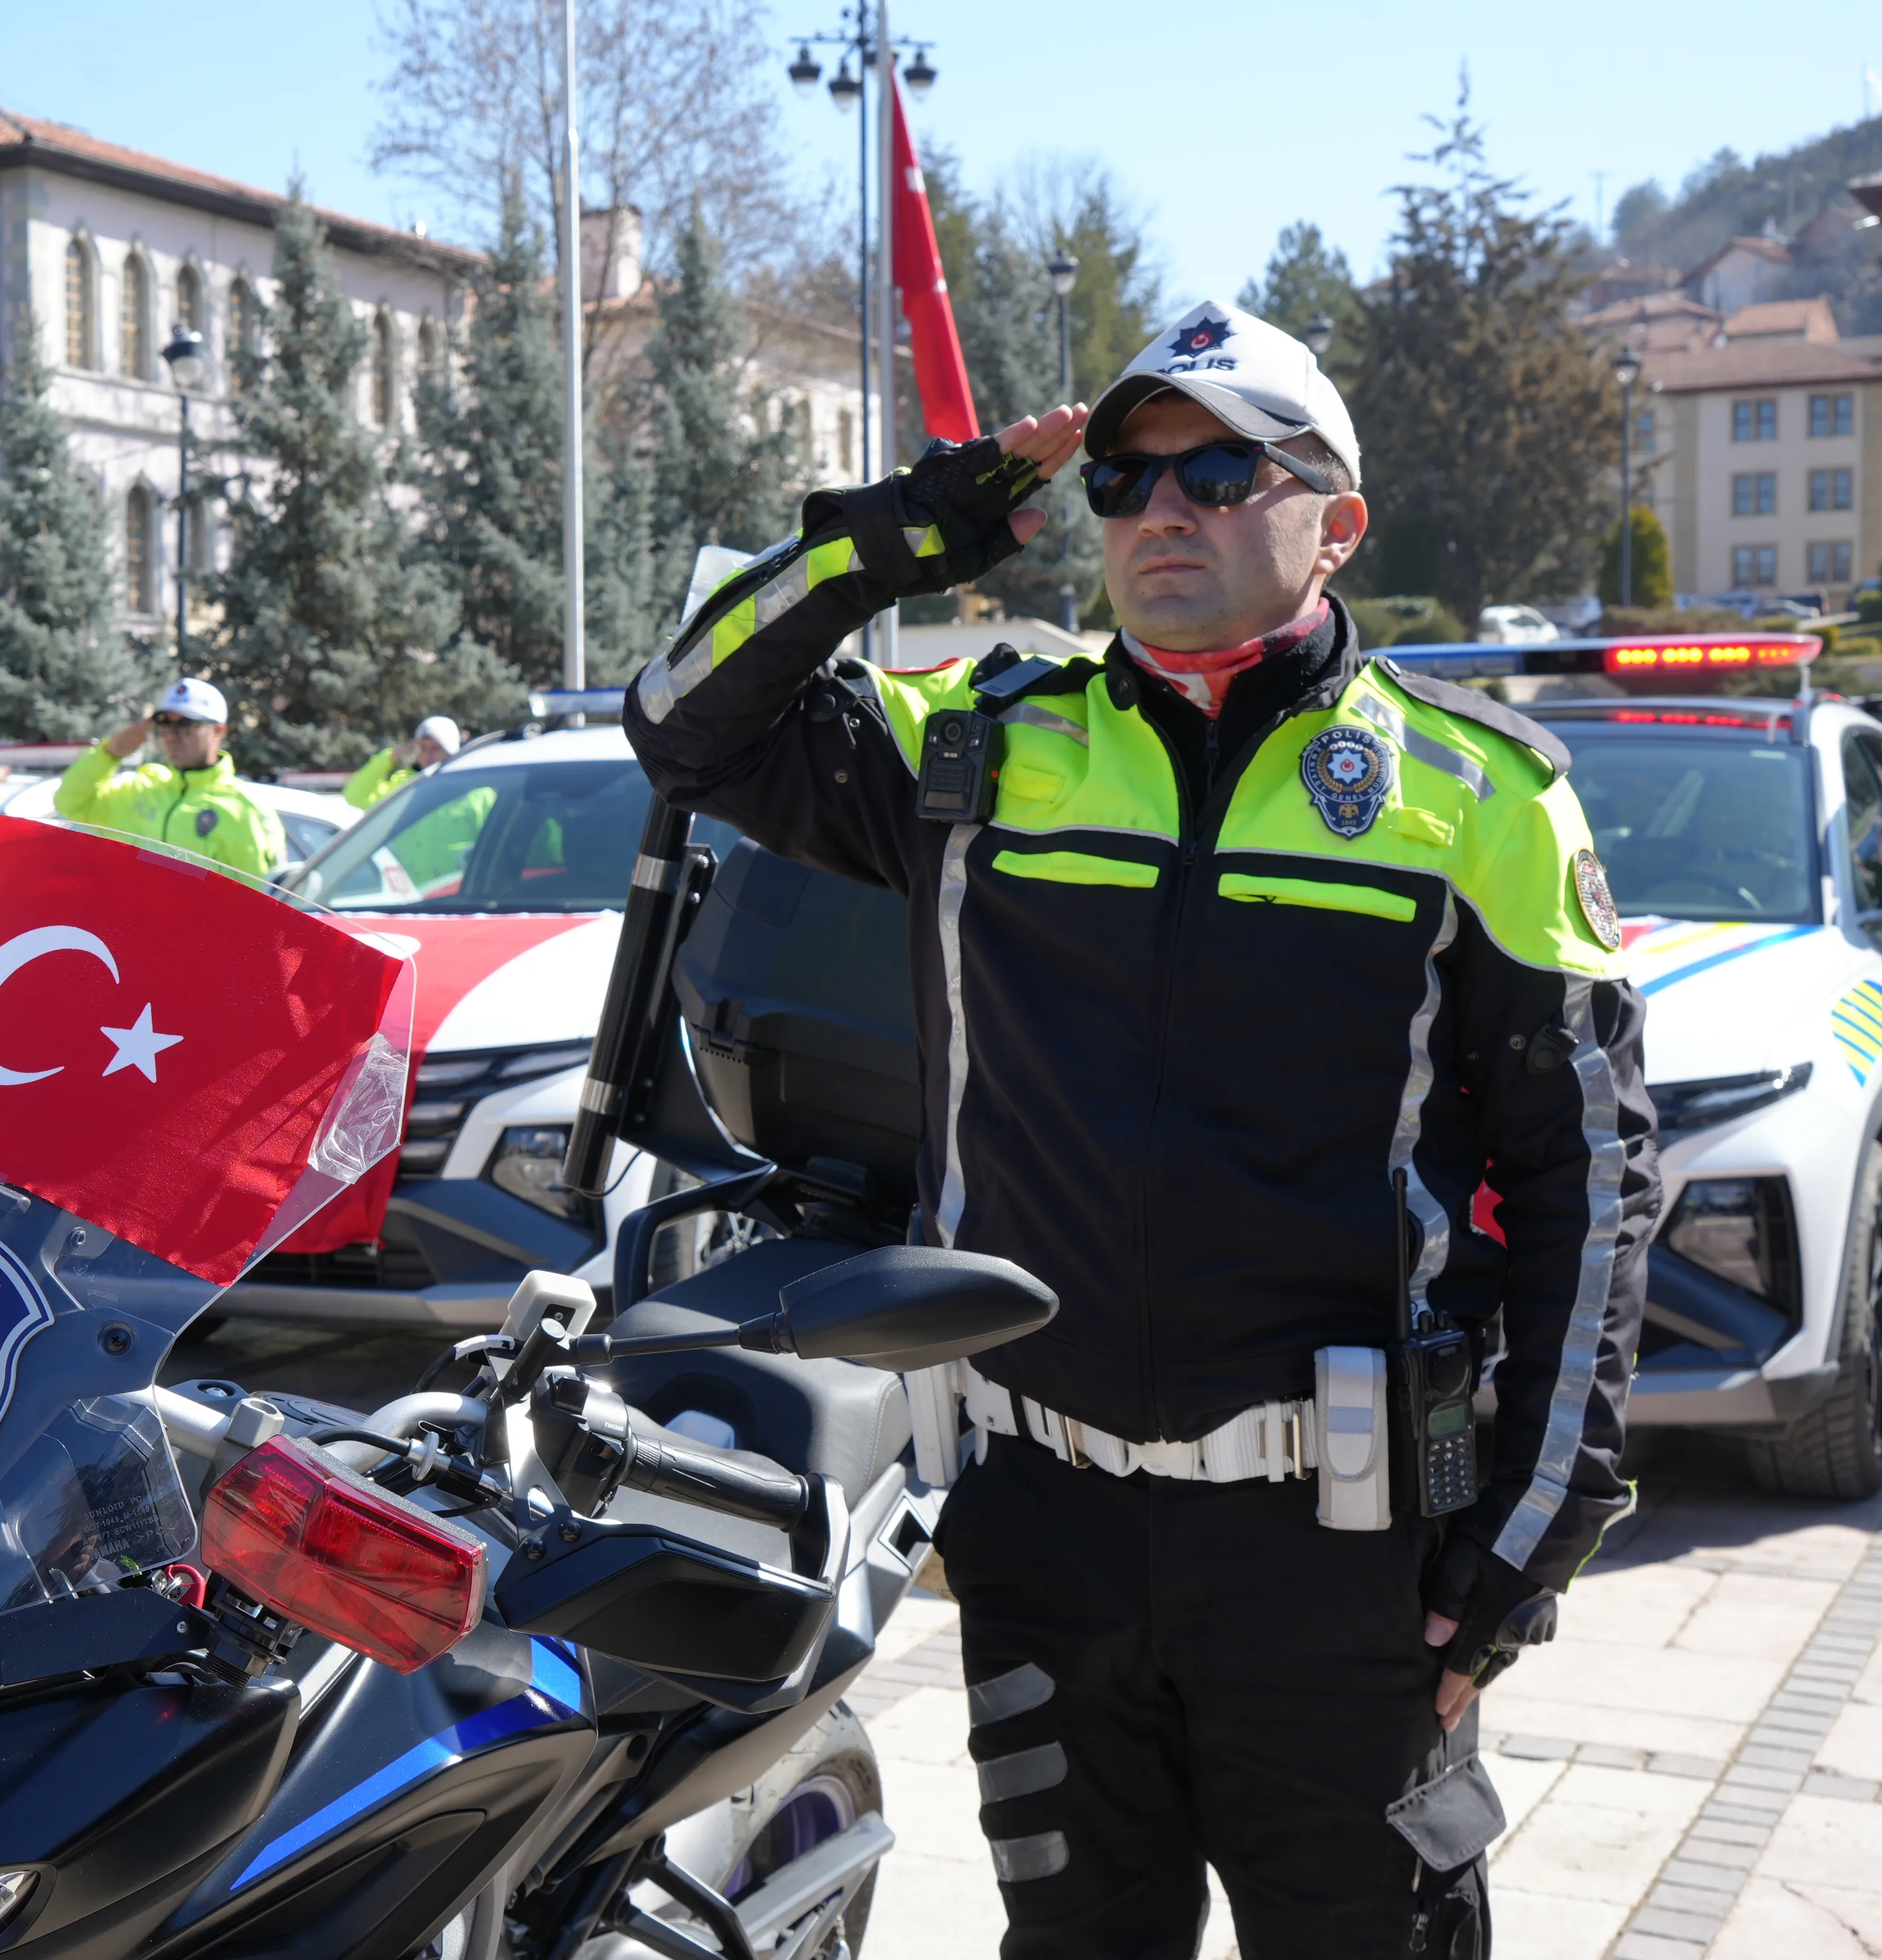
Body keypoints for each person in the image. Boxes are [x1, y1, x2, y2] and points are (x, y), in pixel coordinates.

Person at [624, 301, 1658, 1957]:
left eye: (1220, 468)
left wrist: (1528, 1545)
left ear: (1338, 517)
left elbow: (1589, 1179)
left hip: (1350, 1565)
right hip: (1042, 1536)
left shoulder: (1478, 788)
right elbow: (685, 716)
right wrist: (916, 524)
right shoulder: (988, 739)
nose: (1160, 510)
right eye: (1123, 475)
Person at [57, 676, 283, 879]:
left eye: (186, 725)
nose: (173, 736)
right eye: (165, 725)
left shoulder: (243, 808)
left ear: (218, 731)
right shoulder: (144, 789)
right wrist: (109, 754)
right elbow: (70, 802)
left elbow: (264, 901)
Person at [344, 715, 463, 810]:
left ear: (451, 751)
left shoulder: (468, 785)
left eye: (436, 748)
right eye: (423, 748)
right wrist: (389, 757)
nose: (428, 755)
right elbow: (355, 797)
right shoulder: (405, 785)